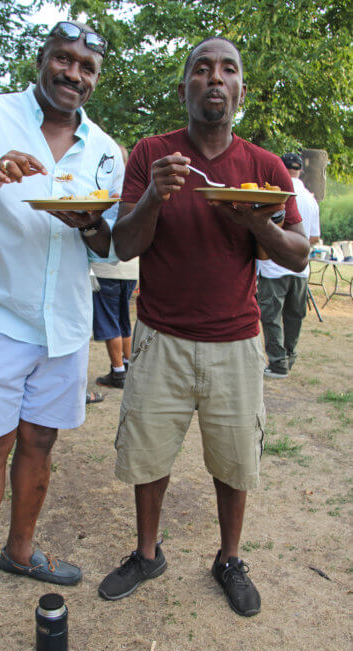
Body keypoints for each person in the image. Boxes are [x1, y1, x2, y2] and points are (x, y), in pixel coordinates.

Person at [0, 20, 124, 646]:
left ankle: (21, 552)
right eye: (63, 59)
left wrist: (92, 224)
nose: (73, 74)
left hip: (62, 325)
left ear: (93, 79)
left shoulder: (105, 151)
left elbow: (108, 243)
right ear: (42, 61)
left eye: (86, 67)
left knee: (40, 445)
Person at [98, 37, 309, 616]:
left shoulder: (263, 167)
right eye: (202, 69)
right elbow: (124, 242)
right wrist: (156, 199)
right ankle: (147, 554)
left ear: (240, 89)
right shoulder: (151, 154)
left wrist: (256, 223)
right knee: (148, 455)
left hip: (236, 342)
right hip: (161, 337)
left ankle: (229, 558)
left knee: (234, 459)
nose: (214, 78)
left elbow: (297, 254)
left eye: (228, 70)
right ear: (185, 85)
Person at [258, 152, 320, 378]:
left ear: (281, 169)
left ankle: (277, 363)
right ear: (300, 170)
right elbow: (313, 238)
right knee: (294, 316)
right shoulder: (311, 200)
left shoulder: (273, 192)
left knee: (271, 317)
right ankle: (290, 357)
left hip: (273, 267)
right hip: (300, 269)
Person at [92, 144, 139, 390]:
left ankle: (118, 371)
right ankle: (130, 365)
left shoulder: (106, 190)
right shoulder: (134, 190)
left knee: (109, 319)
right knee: (123, 318)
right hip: (131, 267)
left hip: (106, 267)